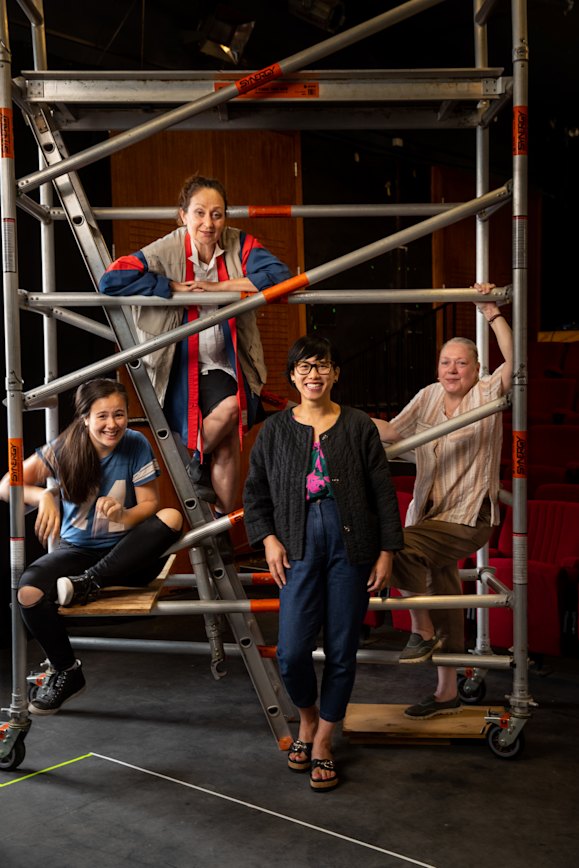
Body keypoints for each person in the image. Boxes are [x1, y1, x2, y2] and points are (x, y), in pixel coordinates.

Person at [243, 335, 403, 790]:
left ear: (335, 374)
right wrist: (269, 540)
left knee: (341, 649)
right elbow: (255, 494)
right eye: (305, 367)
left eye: (323, 366)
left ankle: (324, 741)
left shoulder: (357, 426)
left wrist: (387, 551)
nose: (314, 374)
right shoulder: (275, 430)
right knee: (292, 652)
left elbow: (382, 494)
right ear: (293, 376)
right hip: (296, 545)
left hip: (351, 547)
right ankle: (307, 718)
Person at [99, 174, 292, 516]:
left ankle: (216, 511)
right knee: (229, 436)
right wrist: (171, 285)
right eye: (200, 213)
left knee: (233, 420)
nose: (208, 223)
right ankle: (215, 506)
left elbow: (280, 275)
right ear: (182, 215)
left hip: (223, 363)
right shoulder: (167, 247)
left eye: (217, 214)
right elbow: (112, 279)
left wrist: (222, 287)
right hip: (176, 365)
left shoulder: (240, 244)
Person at [0, 378, 183, 715]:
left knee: (172, 515)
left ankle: (90, 583)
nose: (112, 424)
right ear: (84, 418)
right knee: (27, 593)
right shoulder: (64, 448)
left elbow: (150, 503)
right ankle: (68, 672)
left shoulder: (136, 443)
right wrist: (42, 496)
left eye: (119, 414)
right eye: (102, 416)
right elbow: (5, 485)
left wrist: (124, 515)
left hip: (128, 556)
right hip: (77, 554)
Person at [373, 283, 513, 719]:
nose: (452, 370)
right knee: (444, 592)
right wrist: (336, 419)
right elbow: (392, 432)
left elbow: (519, 362)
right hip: (431, 514)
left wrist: (491, 312)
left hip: (470, 516)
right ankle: (446, 690)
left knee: (394, 546)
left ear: (476, 368)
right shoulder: (429, 395)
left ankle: (420, 631)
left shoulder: (488, 392)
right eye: (445, 362)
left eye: (461, 363)